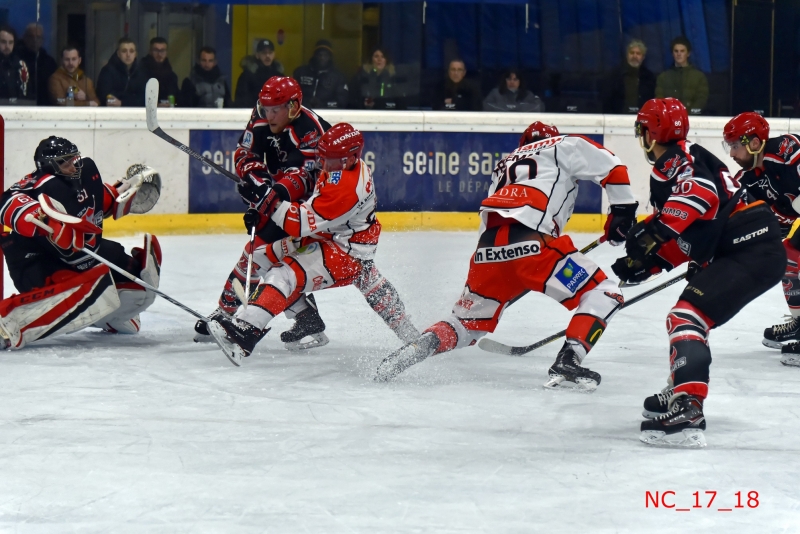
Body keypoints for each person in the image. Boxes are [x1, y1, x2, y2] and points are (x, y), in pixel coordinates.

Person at [375, 121, 638, 390]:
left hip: (487, 252)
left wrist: (511, 269)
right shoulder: (561, 145)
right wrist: (623, 211)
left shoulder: (505, 164)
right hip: (534, 247)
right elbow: (612, 166)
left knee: (466, 323)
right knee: (605, 292)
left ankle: (422, 344)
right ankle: (568, 359)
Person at [615, 98, 783, 448]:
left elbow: (700, 196)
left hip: (750, 248)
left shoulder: (676, 162)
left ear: (650, 133)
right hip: (746, 247)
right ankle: (682, 388)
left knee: (686, 318)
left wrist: (655, 232)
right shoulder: (685, 157)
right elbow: (696, 231)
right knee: (687, 317)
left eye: (642, 130)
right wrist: (652, 262)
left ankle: (689, 406)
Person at [206, 123, 420, 365]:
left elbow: (297, 223)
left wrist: (267, 201)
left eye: (330, 160)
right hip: (331, 236)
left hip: (347, 252)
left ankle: (247, 331)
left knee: (283, 274)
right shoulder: (341, 166)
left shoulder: (347, 188)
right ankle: (306, 317)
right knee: (262, 256)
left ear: (351, 157)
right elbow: (310, 206)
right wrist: (263, 204)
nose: (324, 165)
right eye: (323, 157)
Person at [193, 76, 333, 349]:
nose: (269, 116)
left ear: (293, 106)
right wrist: (257, 183)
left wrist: (267, 197)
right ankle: (306, 318)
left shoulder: (310, 130)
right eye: (265, 108)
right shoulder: (261, 116)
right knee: (273, 260)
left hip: (313, 209)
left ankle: (225, 314)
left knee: (258, 254)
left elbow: (304, 179)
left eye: (275, 110)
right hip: (282, 203)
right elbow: (246, 154)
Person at [0, 137, 164, 349]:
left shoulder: (82, 177)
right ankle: (9, 322)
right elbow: (7, 204)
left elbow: (98, 200)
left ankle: (112, 317)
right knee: (86, 289)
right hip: (38, 261)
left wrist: (126, 191)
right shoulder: (37, 185)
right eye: (65, 163)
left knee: (135, 277)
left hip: (79, 256)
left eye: (73, 159)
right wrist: (47, 221)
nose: (73, 166)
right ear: (48, 165)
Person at [722, 112, 800, 364]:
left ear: (755, 143)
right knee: (787, 258)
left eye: (735, 146)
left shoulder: (787, 151)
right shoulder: (747, 180)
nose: (731, 154)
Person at [655, 36, 708, 114]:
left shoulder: (699, 77)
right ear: (672, 53)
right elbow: (659, 100)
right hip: (669, 118)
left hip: (692, 119)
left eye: (682, 51)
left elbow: (701, 99)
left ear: (688, 53)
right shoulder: (663, 77)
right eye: (676, 51)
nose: (679, 54)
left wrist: (689, 115)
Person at [601, 39, 656, 114]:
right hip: (619, 118)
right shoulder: (614, 76)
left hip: (642, 118)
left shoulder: (649, 77)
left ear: (643, 57)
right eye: (632, 53)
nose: (634, 56)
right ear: (627, 56)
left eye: (638, 53)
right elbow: (606, 101)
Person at [293, 39, 349, 109]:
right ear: (314, 55)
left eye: (325, 55)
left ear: (330, 57)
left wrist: (323, 104)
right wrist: (306, 102)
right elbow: (291, 97)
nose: (322, 58)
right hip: (302, 112)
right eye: (319, 55)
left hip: (327, 114)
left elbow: (342, 102)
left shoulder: (338, 78)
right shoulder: (301, 72)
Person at [96, 37, 146, 107]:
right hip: (111, 112)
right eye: (124, 51)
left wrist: (122, 102)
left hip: (134, 112)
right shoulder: (107, 71)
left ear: (135, 54)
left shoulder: (141, 72)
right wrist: (131, 98)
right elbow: (104, 95)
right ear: (118, 53)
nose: (128, 55)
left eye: (131, 51)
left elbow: (144, 98)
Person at [16, 23, 57, 106]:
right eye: (31, 37)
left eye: (38, 37)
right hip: (20, 105)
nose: (34, 40)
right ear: (25, 38)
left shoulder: (49, 62)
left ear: (42, 40)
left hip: (44, 106)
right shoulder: (16, 60)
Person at [235, 39, 282, 108]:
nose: (267, 56)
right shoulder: (247, 76)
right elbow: (241, 101)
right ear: (257, 55)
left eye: (270, 52)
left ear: (274, 54)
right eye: (264, 53)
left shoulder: (279, 77)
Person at [140, 37, 179, 107]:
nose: (159, 54)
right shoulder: (141, 72)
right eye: (156, 50)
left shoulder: (171, 76)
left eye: (162, 51)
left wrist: (171, 104)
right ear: (150, 51)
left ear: (166, 52)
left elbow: (176, 97)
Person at [0, 26, 30, 102]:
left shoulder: (20, 65)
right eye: (3, 42)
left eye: (10, 42)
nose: (7, 46)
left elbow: (26, 92)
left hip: (16, 106)